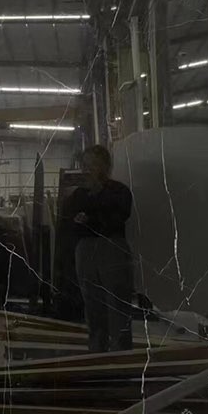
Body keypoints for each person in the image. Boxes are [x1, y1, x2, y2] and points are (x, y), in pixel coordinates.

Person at [71, 145, 134, 352]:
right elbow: (70, 220)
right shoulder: (79, 193)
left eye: (93, 164)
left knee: (117, 304)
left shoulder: (119, 191)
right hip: (86, 249)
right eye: (85, 164)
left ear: (105, 166)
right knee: (92, 303)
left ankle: (121, 354)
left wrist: (91, 217)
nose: (87, 169)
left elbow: (119, 216)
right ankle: (97, 351)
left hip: (112, 247)